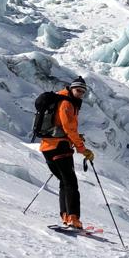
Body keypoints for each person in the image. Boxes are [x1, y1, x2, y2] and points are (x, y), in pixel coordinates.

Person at [40, 76, 95, 229]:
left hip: (48, 147)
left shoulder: (63, 101)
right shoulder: (66, 104)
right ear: (71, 88)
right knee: (71, 183)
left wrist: (75, 139)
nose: (80, 94)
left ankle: (66, 216)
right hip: (60, 147)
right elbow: (69, 128)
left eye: (83, 92)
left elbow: (63, 128)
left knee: (64, 182)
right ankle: (73, 218)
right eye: (78, 90)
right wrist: (82, 149)